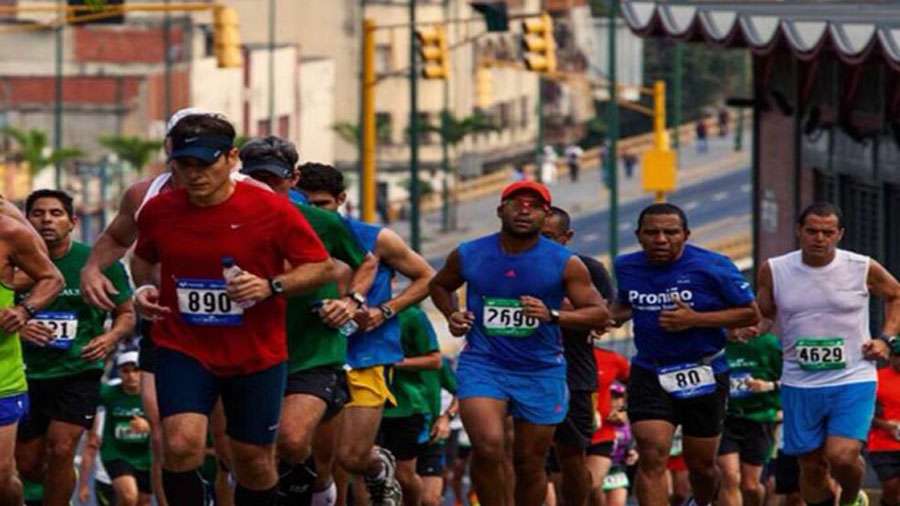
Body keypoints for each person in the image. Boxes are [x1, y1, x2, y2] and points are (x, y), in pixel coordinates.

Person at [130, 113, 334, 505]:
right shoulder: (159, 211)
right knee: (180, 443)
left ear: (232, 158)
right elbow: (141, 259)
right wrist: (143, 290)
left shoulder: (271, 210)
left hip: (255, 354)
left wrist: (269, 286)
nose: (194, 175)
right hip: (184, 346)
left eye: (204, 164)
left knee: (253, 461)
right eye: (183, 165)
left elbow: (321, 266)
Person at [79, 107, 261, 505]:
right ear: (169, 146)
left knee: (233, 447)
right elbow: (116, 239)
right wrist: (93, 270)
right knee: (168, 438)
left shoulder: (254, 193)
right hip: (169, 328)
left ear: (226, 155)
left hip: (236, 333)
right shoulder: (145, 194)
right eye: (183, 142)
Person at [429, 181, 609, 506]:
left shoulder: (565, 262)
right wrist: (453, 314)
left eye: (534, 205)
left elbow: (599, 313)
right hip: (485, 363)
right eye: (516, 203)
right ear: (501, 210)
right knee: (487, 446)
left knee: (529, 463)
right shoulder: (470, 253)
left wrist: (553, 315)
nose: (524, 210)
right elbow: (440, 285)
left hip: (541, 370)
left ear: (545, 214)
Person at [238, 136, 378, 505]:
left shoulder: (321, 221)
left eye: (274, 179)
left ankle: (321, 493)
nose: (266, 188)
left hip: (313, 350)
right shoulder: (227, 220)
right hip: (247, 350)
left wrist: (351, 301)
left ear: (293, 179)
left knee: (295, 441)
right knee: (242, 457)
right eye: (256, 179)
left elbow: (367, 262)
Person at [298, 162, 436, 505]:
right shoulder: (287, 236)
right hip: (309, 355)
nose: (314, 214)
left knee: (351, 457)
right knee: (309, 455)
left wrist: (383, 311)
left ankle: (377, 466)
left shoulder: (376, 238)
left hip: (365, 355)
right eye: (306, 204)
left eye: (322, 205)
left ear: (341, 200)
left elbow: (427, 278)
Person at [609, 202, 760, 506]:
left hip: (703, 371)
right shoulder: (626, 266)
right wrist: (605, 318)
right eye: (652, 232)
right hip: (650, 370)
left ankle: (702, 503)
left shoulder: (713, 266)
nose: (661, 239)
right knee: (652, 455)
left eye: (670, 232)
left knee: (702, 465)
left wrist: (695, 320)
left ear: (686, 234)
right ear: (639, 236)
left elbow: (750, 313)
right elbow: (626, 305)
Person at [756, 202, 900, 506]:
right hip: (799, 381)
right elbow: (765, 314)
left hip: (853, 376)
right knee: (811, 466)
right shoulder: (775, 269)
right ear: (799, 231)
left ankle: (850, 499)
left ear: (839, 234)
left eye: (827, 232)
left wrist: (886, 339)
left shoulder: (861, 266)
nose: (819, 238)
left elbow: (895, 294)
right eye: (812, 231)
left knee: (842, 455)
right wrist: (751, 329)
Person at [15, 189, 134, 506]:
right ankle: (56, 491)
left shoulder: (96, 262)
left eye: (56, 213)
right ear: (26, 221)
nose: (46, 221)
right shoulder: (11, 263)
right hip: (25, 373)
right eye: (38, 214)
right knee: (27, 464)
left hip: (79, 370)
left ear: (72, 221)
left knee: (63, 447)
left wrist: (109, 339)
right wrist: (20, 327)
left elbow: (126, 313)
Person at [540, 206, 615, 506]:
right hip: (520, 373)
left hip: (575, 376)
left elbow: (603, 316)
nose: (539, 243)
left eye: (547, 236)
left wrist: (554, 314)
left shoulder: (587, 269)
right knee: (524, 459)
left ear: (566, 237)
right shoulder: (512, 267)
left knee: (571, 461)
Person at [0, 212, 63, 506]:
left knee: (1, 478)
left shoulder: (9, 231)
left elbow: (52, 278)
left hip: (2, 378)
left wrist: (23, 312)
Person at [377, 305, 442, 505]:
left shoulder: (411, 315)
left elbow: (435, 360)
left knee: (404, 475)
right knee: (362, 469)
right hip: (367, 403)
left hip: (406, 407)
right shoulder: (351, 309)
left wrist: (394, 363)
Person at [717, 329, 782, 506]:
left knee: (750, 486)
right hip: (726, 419)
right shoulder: (715, 343)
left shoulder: (768, 344)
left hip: (759, 418)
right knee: (729, 477)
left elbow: (792, 378)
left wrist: (768, 386)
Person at [96, 351, 153, 506]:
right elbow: (90, 387)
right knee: (129, 497)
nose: (131, 376)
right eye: (125, 371)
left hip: (146, 457)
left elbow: (168, 424)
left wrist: (149, 426)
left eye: (136, 370)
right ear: (119, 372)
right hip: (116, 453)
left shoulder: (154, 396)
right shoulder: (109, 393)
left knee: (143, 501)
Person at [588, 346, 630, 506]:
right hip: (565, 435)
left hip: (602, 435)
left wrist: (625, 410)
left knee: (591, 485)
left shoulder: (613, 359)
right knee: (570, 491)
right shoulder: (554, 353)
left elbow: (637, 383)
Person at [419, 357, 458, 506]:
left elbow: (459, 392)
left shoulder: (437, 360)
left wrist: (446, 418)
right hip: (394, 435)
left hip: (431, 435)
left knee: (429, 500)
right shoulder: (385, 358)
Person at [867, 341, 900, 506]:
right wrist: (887, 425)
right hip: (883, 444)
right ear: (891, 357)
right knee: (891, 486)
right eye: (897, 356)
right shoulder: (876, 379)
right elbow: (865, 412)